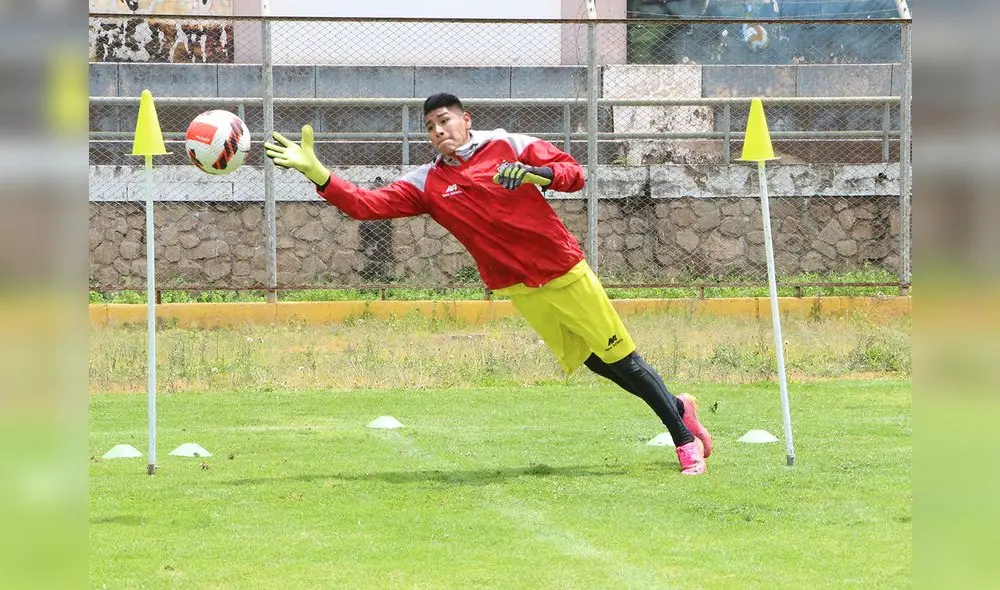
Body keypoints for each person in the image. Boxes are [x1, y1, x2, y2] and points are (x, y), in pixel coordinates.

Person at [264, 93, 713, 475]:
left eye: (446, 121)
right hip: (518, 286)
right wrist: (318, 173)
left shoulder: (507, 145)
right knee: (595, 361)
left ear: (465, 120)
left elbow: (573, 173)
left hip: (562, 270)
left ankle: (684, 443)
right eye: (431, 127)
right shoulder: (428, 182)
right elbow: (365, 205)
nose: (439, 131)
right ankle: (679, 407)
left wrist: (540, 175)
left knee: (624, 357)